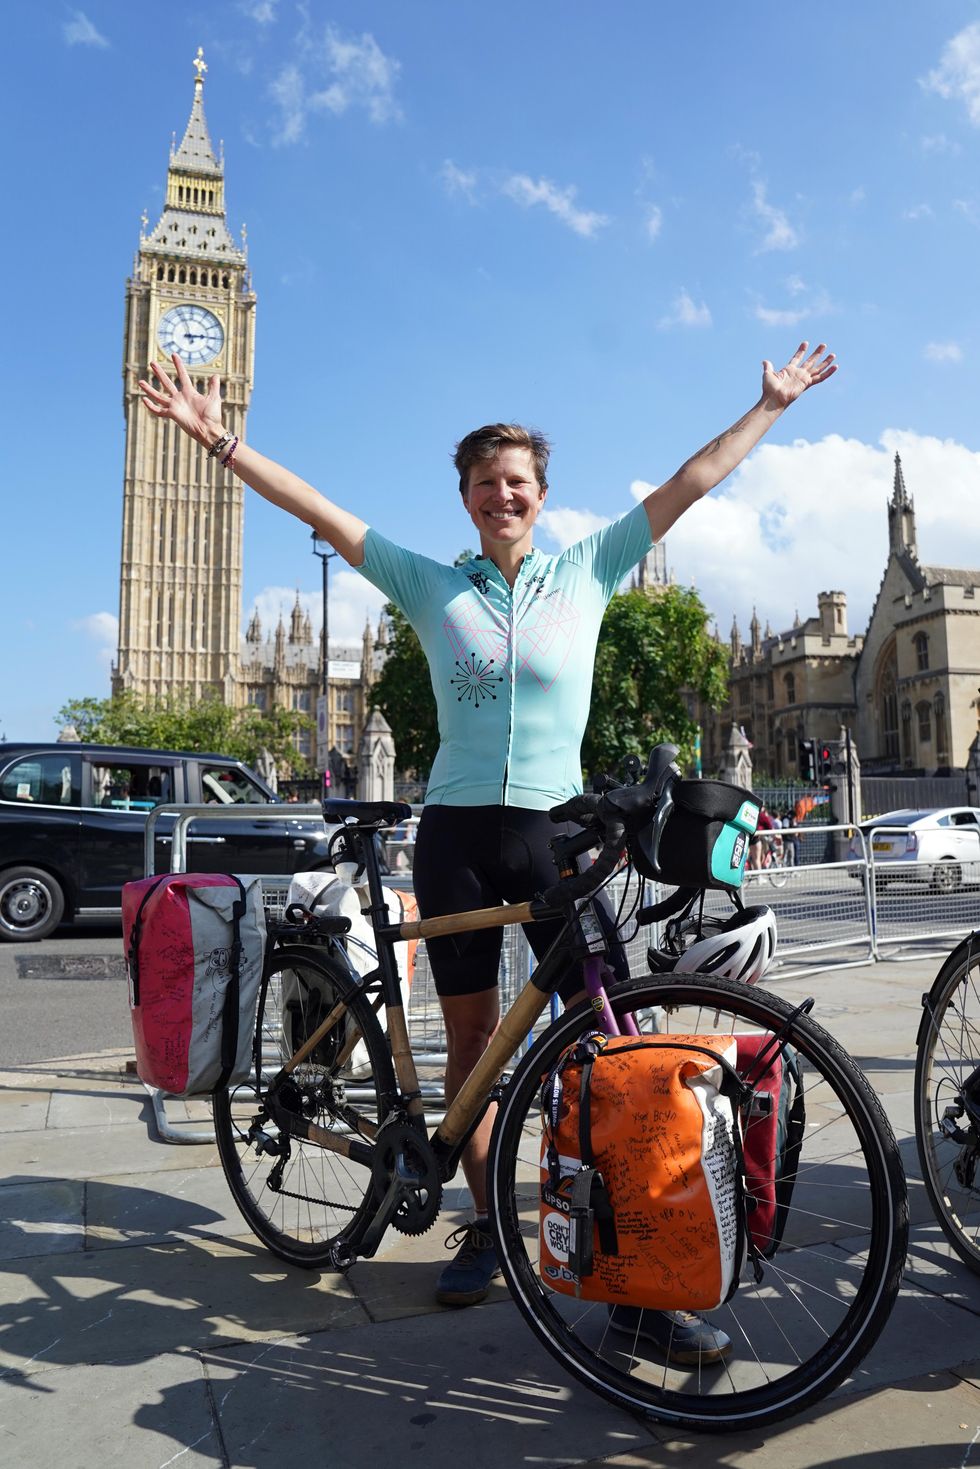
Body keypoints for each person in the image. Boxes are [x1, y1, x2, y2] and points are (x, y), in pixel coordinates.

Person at [140, 339, 836, 1358]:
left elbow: (691, 481)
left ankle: (633, 1276)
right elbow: (320, 510)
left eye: (516, 481)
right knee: (472, 1050)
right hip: (458, 837)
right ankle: (487, 1224)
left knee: (607, 1049)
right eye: (483, 482)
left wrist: (768, 405)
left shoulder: (589, 568)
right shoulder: (431, 585)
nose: (501, 495)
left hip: (558, 833)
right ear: (465, 498)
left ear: (540, 495)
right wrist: (220, 442)